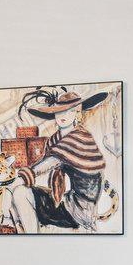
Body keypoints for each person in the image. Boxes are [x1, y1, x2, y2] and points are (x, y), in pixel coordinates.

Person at [21, 87, 117, 230]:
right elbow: (49, 162)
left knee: (21, 193)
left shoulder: (79, 137)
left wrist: (24, 175)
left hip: (79, 210)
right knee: (24, 192)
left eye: (70, 110)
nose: (63, 115)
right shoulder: (54, 140)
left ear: (78, 113)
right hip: (67, 201)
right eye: (59, 111)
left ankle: (31, 236)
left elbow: (52, 161)